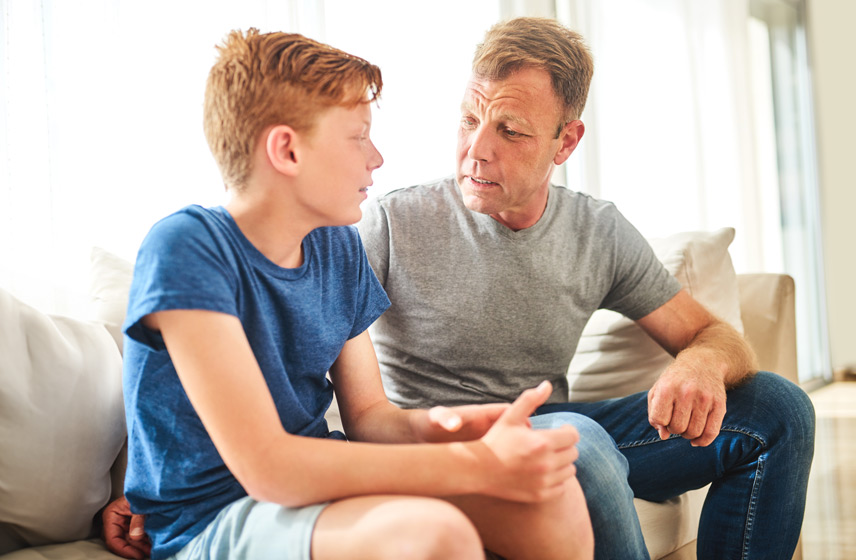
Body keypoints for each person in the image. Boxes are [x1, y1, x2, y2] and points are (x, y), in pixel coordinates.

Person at [105, 28, 593, 560]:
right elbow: (270, 468)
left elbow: (370, 418)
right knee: (432, 535)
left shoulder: (339, 247)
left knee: (551, 496)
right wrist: (473, 463)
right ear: (288, 150)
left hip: (315, 486)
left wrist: (449, 427)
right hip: (217, 517)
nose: (377, 157)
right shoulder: (188, 247)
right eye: (358, 136)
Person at [356, 16, 815, 560]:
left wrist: (701, 363)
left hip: (555, 432)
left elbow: (713, 334)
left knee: (778, 408)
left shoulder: (596, 232)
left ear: (565, 142)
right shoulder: (391, 224)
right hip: (441, 444)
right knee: (579, 441)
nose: (476, 150)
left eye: (510, 130)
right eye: (469, 119)